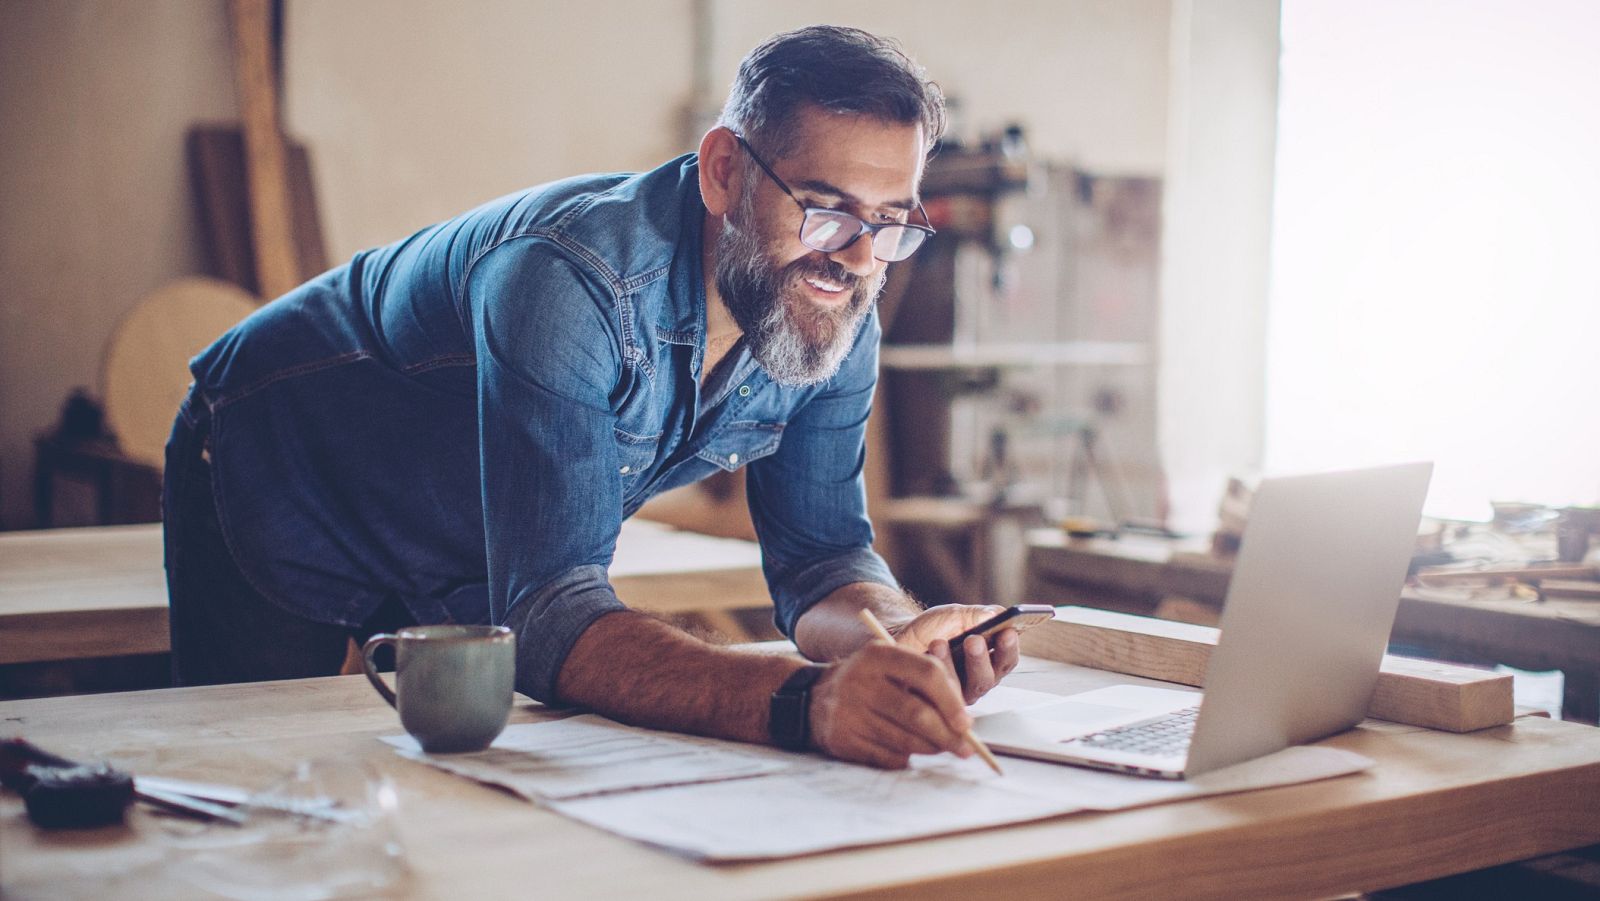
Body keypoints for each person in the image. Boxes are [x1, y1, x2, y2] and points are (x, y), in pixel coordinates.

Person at [163, 24, 1021, 769]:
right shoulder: (568, 284)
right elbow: (550, 617)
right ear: (724, 170)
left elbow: (824, 560)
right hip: (282, 470)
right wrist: (803, 702)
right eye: (828, 209)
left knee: (446, 811)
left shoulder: (836, 313)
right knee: (265, 790)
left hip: (467, 542)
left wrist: (895, 639)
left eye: (891, 224)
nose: (859, 259)